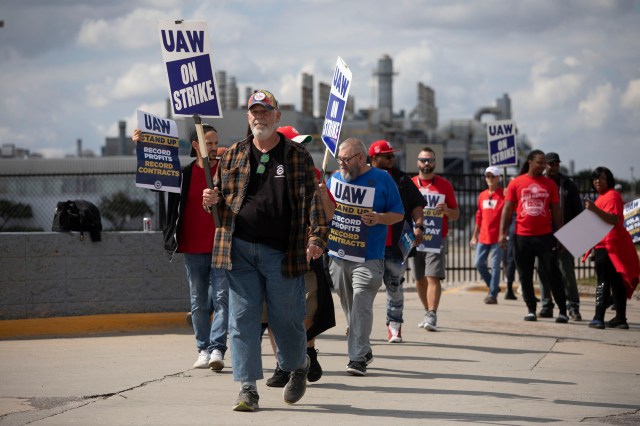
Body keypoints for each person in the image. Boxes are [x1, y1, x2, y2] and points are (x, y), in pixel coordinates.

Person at [202, 90, 328, 412]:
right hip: (238, 250)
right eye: (254, 112)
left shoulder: (297, 156)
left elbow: (313, 203)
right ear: (248, 118)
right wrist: (210, 201)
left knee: (285, 319)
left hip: (283, 253)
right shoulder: (232, 156)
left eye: (266, 111)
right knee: (242, 320)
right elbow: (218, 199)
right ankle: (247, 389)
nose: (260, 117)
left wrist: (316, 239)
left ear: (277, 117)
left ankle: (297, 365)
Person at [132, 125, 228, 372]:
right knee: (198, 301)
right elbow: (155, 179)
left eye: (216, 141)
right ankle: (203, 349)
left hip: (221, 246)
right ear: (196, 145)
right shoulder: (182, 174)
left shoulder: (227, 172)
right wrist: (141, 147)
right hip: (193, 247)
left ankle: (217, 348)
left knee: (221, 299)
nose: (215, 146)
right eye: (209, 142)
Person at [264, 125, 336, 387]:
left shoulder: (312, 172)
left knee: (306, 308)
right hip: (274, 254)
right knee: (273, 314)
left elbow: (328, 214)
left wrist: (320, 191)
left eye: (302, 143)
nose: (300, 147)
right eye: (295, 143)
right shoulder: (265, 172)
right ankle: (282, 364)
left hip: (307, 254)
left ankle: (307, 351)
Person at [327, 137, 404, 375]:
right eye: (339, 159)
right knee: (350, 308)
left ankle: (357, 358)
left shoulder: (383, 179)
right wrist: (322, 195)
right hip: (338, 255)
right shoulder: (335, 178)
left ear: (361, 158)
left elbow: (398, 214)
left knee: (360, 301)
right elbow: (328, 214)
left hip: (368, 257)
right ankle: (364, 347)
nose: (342, 164)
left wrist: (379, 218)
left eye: (346, 159)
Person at [498, 150, 569, 323]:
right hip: (522, 237)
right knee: (525, 275)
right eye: (540, 162)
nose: (543, 166)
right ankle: (531, 309)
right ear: (530, 162)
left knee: (553, 273)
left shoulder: (550, 184)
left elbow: (557, 211)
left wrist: (560, 235)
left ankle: (562, 311)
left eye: (545, 163)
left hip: (545, 236)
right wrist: (502, 232)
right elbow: (507, 209)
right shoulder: (517, 183)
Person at [368, 139, 425, 343]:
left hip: (395, 244)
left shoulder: (401, 179)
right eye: (388, 156)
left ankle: (394, 325)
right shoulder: (363, 176)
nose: (393, 159)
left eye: (393, 155)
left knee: (395, 285)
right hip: (368, 244)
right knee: (364, 287)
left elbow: (417, 205)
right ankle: (358, 325)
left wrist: (419, 226)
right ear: (375, 158)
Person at [410, 147, 459, 331]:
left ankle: (432, 313)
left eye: (430, 160)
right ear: (418, 162)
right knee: (419, 278)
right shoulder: (411, 183)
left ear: (435, 162)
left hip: (436, 238)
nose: (426, 163)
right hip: (416, 238)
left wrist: (446, 210)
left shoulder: (445, 185)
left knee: (433, 276)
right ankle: (426, 311)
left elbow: (456, 214)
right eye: (423, 160)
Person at [585, 167, 640, 329]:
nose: (597, 181)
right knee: (617, 282)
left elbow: (614, 219)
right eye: (595, 179)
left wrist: (594, 210)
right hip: (608, 244)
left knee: (603, 281)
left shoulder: (612, 196)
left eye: (601, 178)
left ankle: (598, 318)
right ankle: (620, 319)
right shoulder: (602, 198)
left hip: (610, 245)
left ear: (609, 179)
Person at [537, 152, 583, 320]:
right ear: (544, 166)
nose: (554, 166)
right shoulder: (538, 183)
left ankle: (572, 306)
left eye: (556, 164)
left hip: (566, 233)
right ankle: (546, 305)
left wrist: (576, 235)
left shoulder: (568, 184)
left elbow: (578, 211)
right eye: (551, 164)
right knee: (543, 270)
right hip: (542, 233)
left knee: (566, 271)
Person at [470, 166, 505, 304]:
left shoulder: (504, 194)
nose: (489, 179)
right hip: (483, 237)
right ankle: (493, 286)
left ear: (498, 178)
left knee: (495, 266)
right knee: (478, 263)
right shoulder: (482, 195)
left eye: (492, 176)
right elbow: (479, 217)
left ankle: (492, 294)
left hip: (498, 237)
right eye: (487, 176)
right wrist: (474, 235)